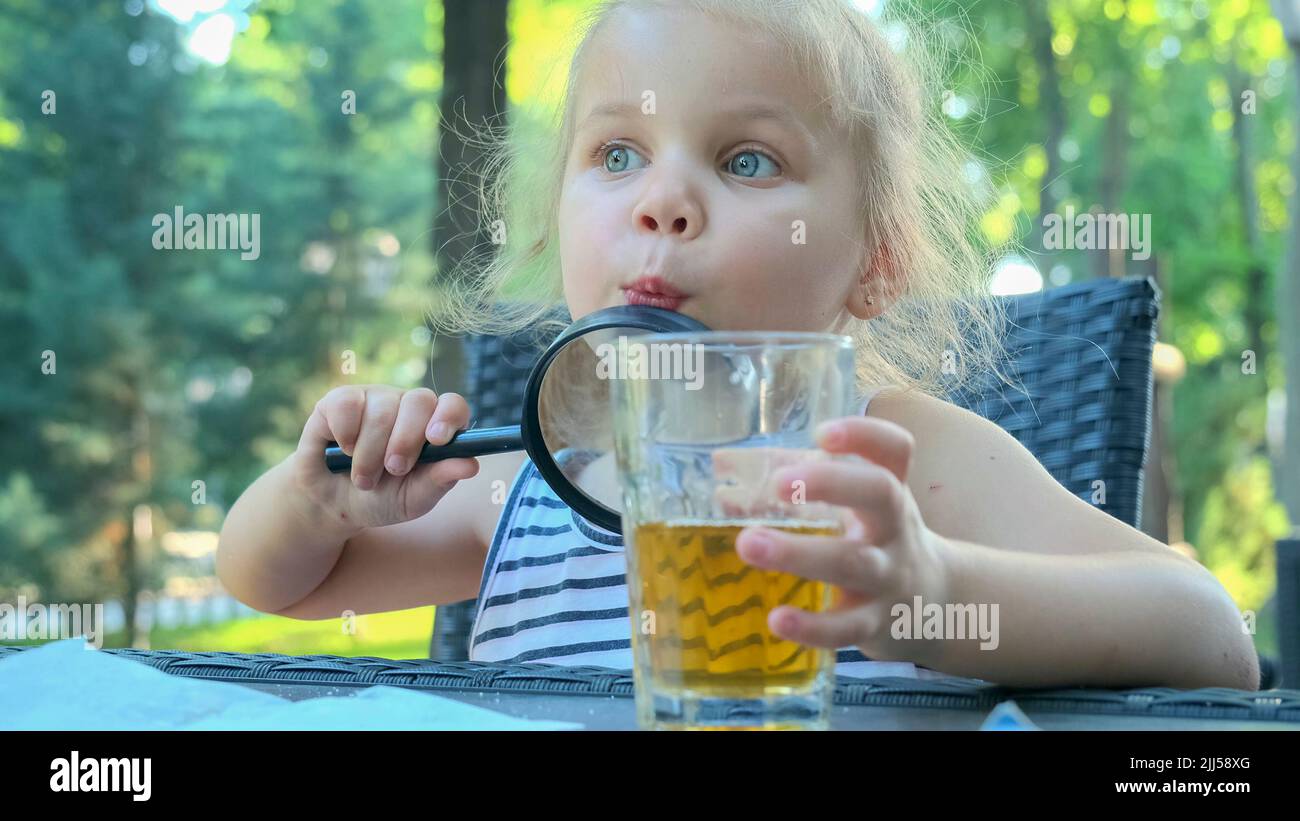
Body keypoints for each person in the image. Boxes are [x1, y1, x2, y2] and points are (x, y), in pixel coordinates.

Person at [217, 0, 1259, 690]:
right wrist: (315, 498)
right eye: (617, 152)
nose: (664, 200)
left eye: (747, 160)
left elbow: (1214, 639)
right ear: (553, 218)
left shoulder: (895, 467)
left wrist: (936, 590)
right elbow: (278, 585)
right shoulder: (519, 487)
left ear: (876, 257)